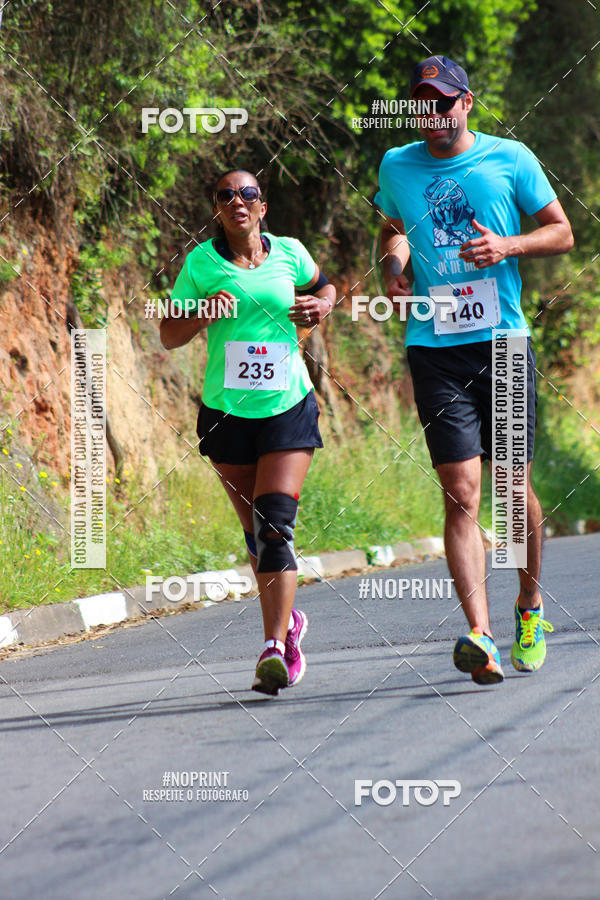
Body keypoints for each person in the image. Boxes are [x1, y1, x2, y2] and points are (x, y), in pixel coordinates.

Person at [375, 56, 574, 685]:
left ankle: (529, 606)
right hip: (435, 347)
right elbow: (392, 229)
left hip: (503, 341)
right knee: (461, 491)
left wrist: (507, 245)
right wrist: (392, 265)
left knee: (512, 491)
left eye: (443, 101)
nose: (432, 113)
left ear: (466, 102)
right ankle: (480, 636)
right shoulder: (397, 165)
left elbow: (562, 233)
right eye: (421, 103)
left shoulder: (510, 158)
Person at [160, 169, 335, 695]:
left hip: (287, 405)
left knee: (275, 524)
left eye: (248, 194)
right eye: (226, 195)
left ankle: (273, 648)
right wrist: (200, 316)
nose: (238, 201)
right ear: (217, 208)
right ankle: (290, 623)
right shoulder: (201, 263)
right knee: (257, 536)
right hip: (226, 412)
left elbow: (322, 285)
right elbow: (168, 333)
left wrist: (322, 304)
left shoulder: (290, 252)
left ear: (263, 207)